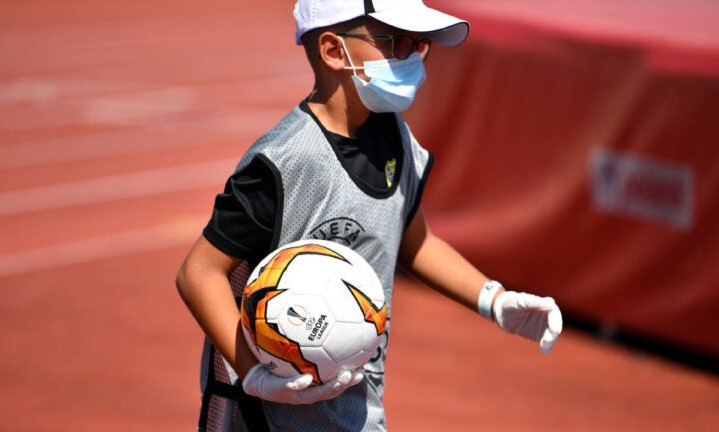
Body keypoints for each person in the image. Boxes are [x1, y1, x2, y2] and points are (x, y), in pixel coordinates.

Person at [176, 1, 563, 431]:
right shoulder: (285, 162)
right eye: (393, 41)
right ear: (333, 51)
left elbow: (415, 242)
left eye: (418, 45)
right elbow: (199, 272)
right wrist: (255, 376)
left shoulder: (395, 136)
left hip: (358, 414)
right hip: (266, 419)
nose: (411, 58)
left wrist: (496, 300)